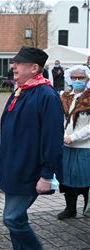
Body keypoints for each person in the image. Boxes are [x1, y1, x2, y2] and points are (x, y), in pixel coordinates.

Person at [0, 46, 63, 250]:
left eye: (18, 63)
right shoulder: (21, 90)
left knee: (12, 218)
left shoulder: (46, 95)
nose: (13, 66)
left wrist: (46, 175)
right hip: (13, 168)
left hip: (30, 170)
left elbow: (53, 138)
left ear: (34, 68)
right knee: (17, 218)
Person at [56, 65, 90, 220]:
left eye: (81, 78)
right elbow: (60, 119)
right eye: (74, 77)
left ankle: (87, 209)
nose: (77, 80)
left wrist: (74, 137)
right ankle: (70, 209)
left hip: (84, 147)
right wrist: (62, 135)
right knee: (67, 180)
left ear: (87, 78)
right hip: (66, 146)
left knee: (85, 180)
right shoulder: (65, 96)